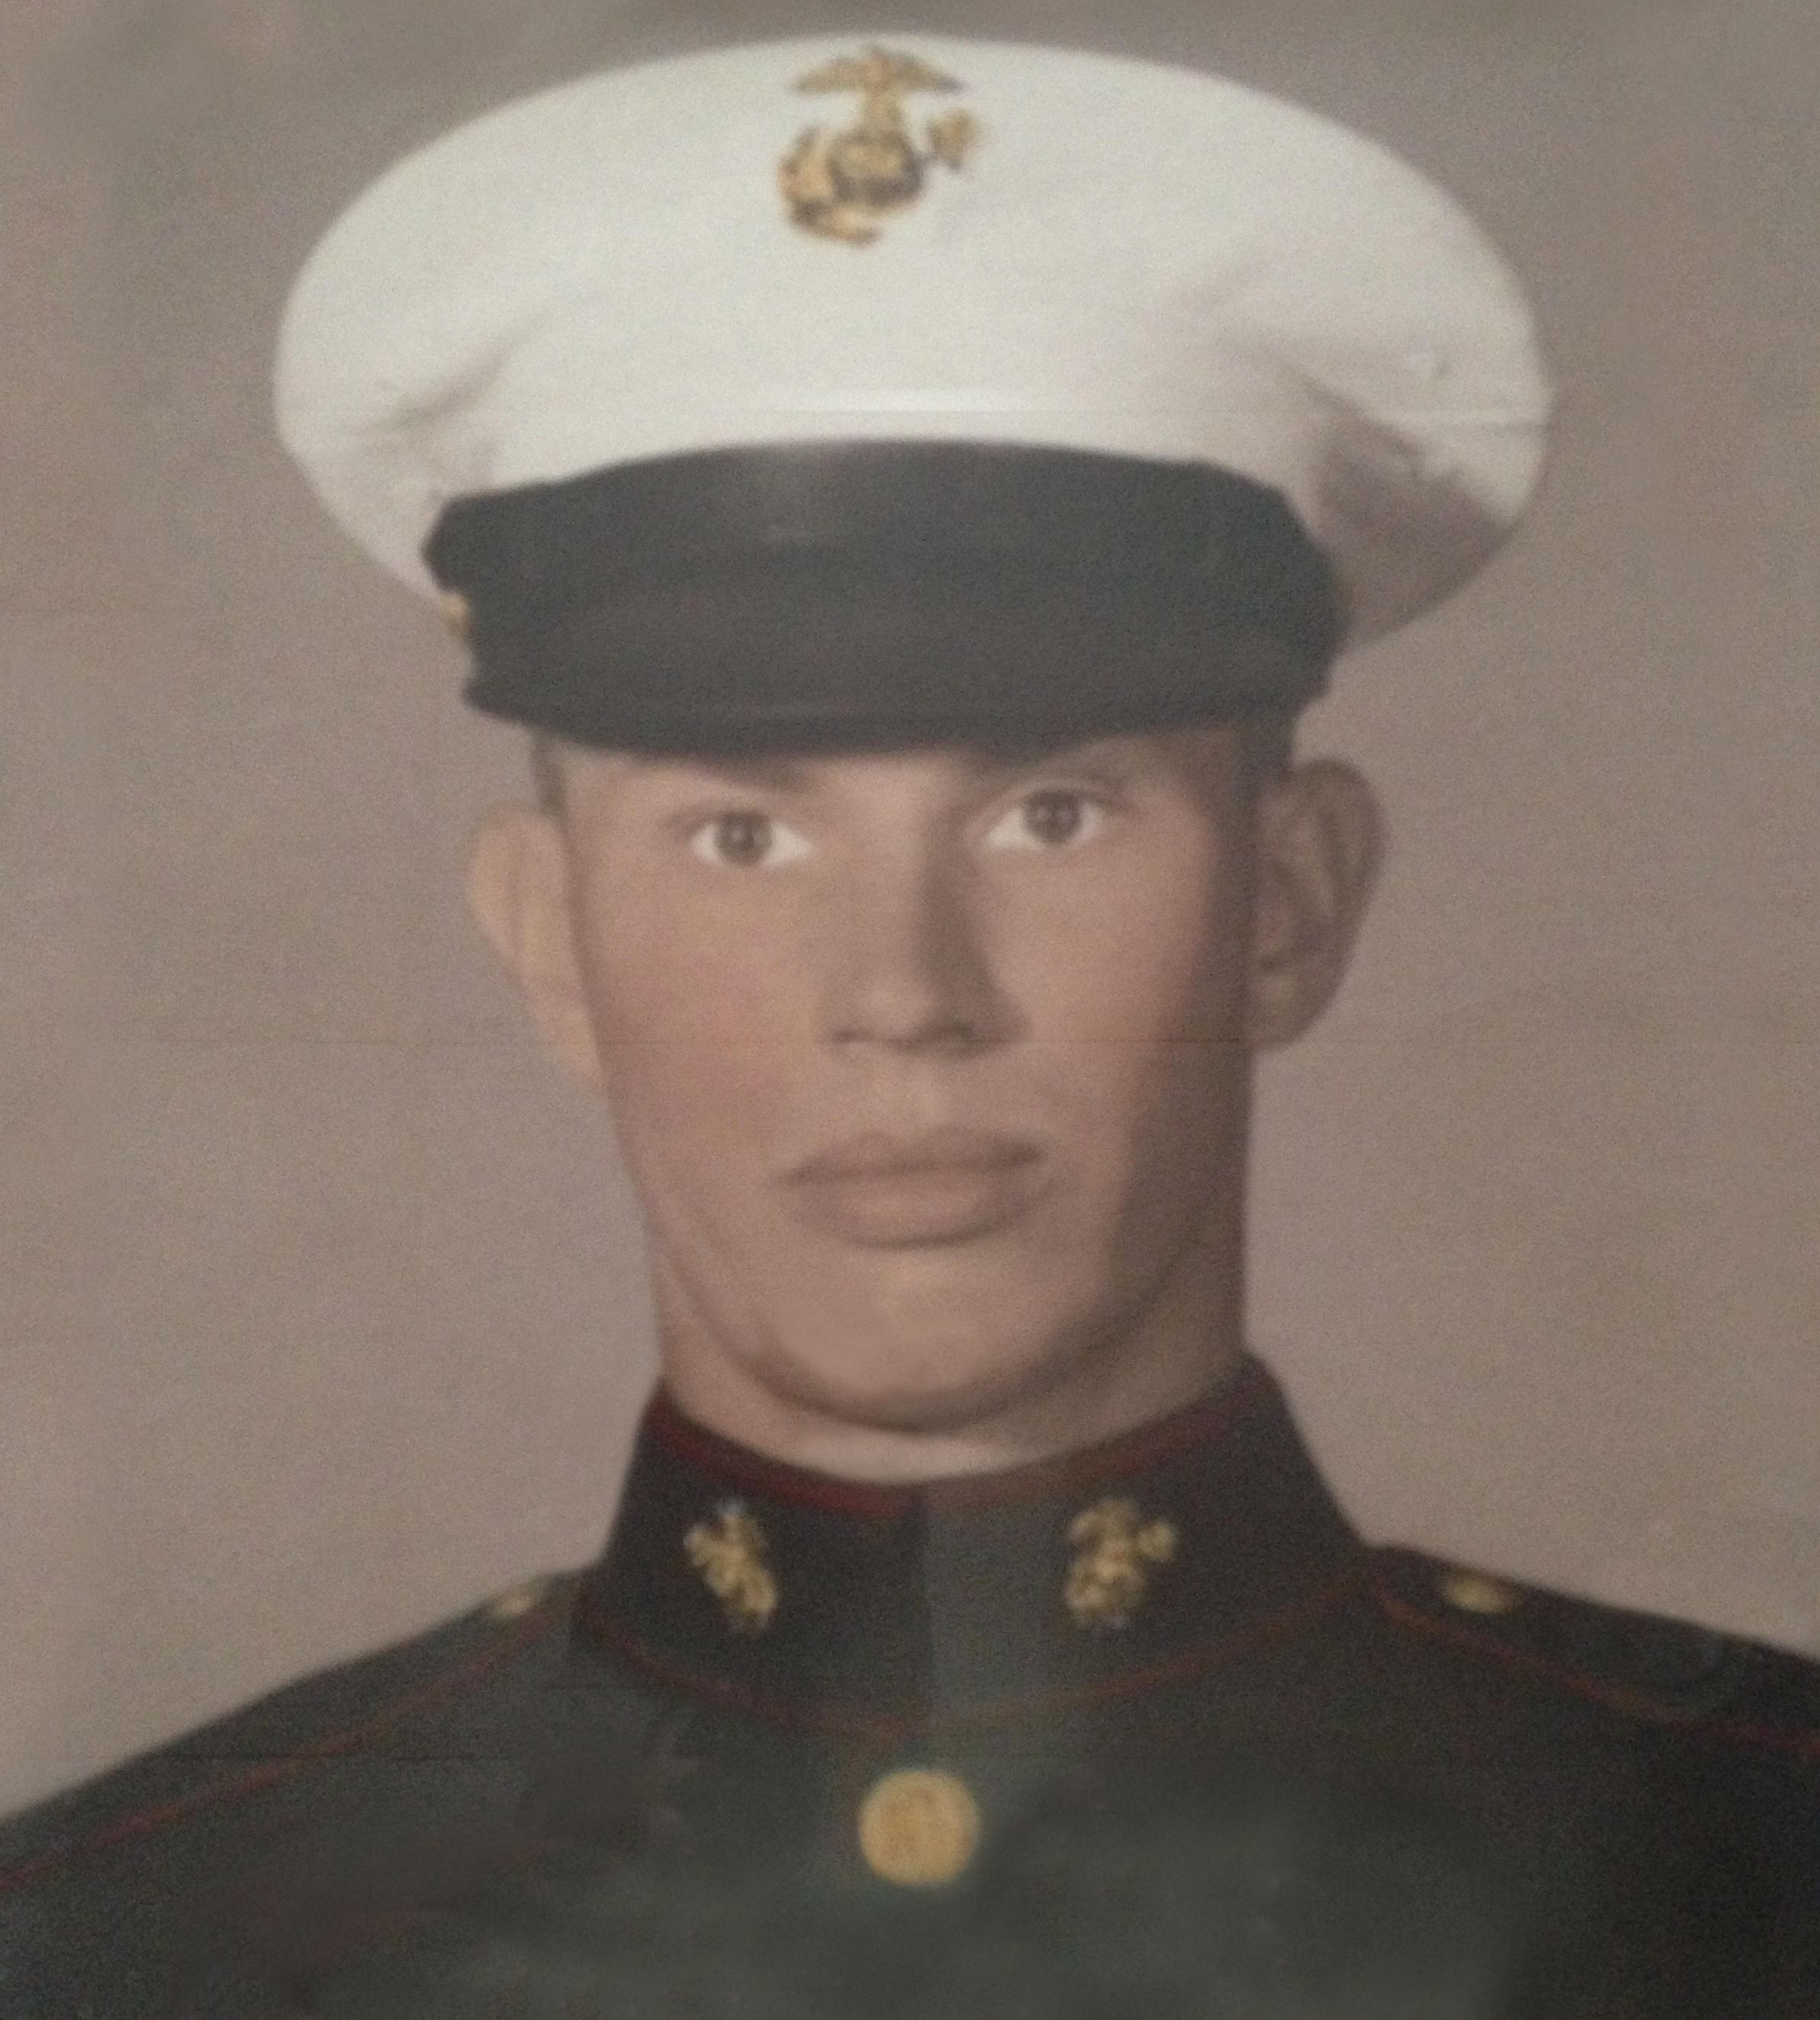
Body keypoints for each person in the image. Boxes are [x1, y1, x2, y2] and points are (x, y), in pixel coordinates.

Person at [2, 32, 1815, 2019]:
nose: (901, 994)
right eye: (742, 836)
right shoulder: (125, 1946)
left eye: (1052, 814)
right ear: (547, 940)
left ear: (1288, 904)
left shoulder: (1755, 1871)